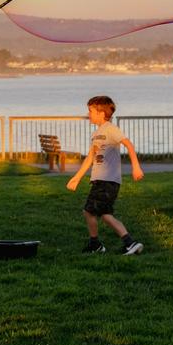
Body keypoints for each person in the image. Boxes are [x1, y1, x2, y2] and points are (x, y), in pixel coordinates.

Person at [65, 95, 145, 254]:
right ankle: (101, 244)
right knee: (98, 212)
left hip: (108, 180)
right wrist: (77, 178)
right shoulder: (96, 134)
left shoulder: (111, 129)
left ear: (101, 113)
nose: (89, 114)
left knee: (96, 212)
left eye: (91, 111)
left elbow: (128, 145)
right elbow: (90, 158)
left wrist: (136, 167)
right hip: (98, 180)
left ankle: (127, 243)